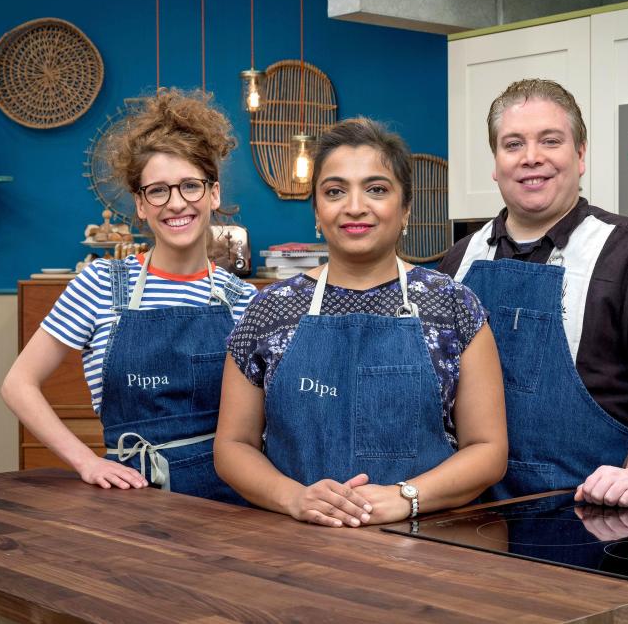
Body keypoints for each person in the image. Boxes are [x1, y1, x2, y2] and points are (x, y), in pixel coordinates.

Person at [215, 118, 507, 527]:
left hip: (427, 547)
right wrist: (296, 498)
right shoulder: (269, 310)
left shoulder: (454, 306)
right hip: (294, 547)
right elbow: (232, 445)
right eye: (335, 191)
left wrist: (407, 497)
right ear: (317, 210)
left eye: (376, 189)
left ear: (405, 207)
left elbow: (488, 449)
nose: (355, 206)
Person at [437, 79, 628, 507]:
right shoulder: (459, 262)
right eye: (513, 144)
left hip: (592, 512)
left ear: (580, 154)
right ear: (495, 162)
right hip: (470, 513)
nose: (532, 158)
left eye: (551, 141)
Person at [1, 88, 257, 502]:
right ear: (140, 204)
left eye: (190, 185)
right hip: (134, 499)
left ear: (214, 193)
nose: (176, 204)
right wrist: (86, 461)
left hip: (231, 502)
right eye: (157, 191)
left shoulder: (242, 300)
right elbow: (18, 384)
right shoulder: (100, 284)